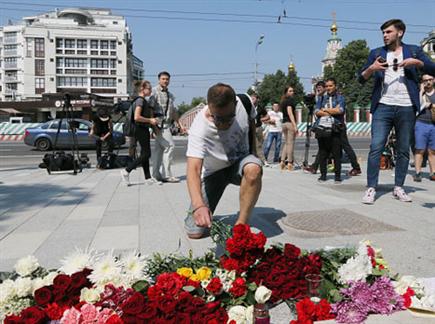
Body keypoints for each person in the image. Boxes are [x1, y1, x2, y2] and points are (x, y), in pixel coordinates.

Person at [359, 19, 435, 204]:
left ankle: (398, 187)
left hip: (406, 106)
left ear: (400, 33)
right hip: (382, 106)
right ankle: (371, 188)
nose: (385, 35)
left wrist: (418, 63)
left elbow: (433, 68)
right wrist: (372, 68)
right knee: (376, 146)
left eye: (388, 32)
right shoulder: (376, 53)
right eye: (383, 33)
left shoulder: (414, 51)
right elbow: (360, 78)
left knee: (402, 150)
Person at [184, 83, 262, 239]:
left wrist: (255, 153)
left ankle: (241, 225)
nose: (224, 123)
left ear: (235, 105)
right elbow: (193, 170)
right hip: (214, 173)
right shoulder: (199, 128)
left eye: (229, 117)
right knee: (195, 232)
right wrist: (199, 206)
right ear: (210, 109)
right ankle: (205, 210)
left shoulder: (245, 102)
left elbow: (252, 123)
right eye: (218, 118)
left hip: (239, 164)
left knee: (253, 168)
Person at [120, 80, 161, 186]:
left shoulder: (140, 100)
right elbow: (137, 117)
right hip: (140, 129)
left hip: (141, 129)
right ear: (142, 89)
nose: (151, 90)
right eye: (149, 88)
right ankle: (126, 171)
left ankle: (147, 178)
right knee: (147, 154)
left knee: (144, 153)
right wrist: (150, 120)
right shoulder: (140, 101)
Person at [150, 71, 186, 183]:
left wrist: (180, 125)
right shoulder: (154, 92)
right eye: (163, 79)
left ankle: (156, 174)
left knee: (159, 150)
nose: (165, 81)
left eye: (167, 79)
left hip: (166, 124)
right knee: (170, 146)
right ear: (159, 79)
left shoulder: (170, 95)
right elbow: (150, 109)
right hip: (160, 125)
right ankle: (166, 174)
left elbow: (173, 111)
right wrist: (153, 127)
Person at [315, 78, 345, 183]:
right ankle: (323, 175)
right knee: (323, 152)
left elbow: (340, 110)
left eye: (330, 86)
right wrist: (331, 111)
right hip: (322, 128)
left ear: (335, 86)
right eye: (327, 86)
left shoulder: (340, 98)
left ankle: (337, 176)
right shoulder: (322, 98)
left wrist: (325, 110)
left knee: (336, 153)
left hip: (335, 128)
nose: (328, 88)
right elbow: (317, 111)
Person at [413, 74, 435, 182]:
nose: (428, 82)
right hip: (421, 123)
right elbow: (418, 108)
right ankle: (418, 172)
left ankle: (433, 172)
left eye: (430, 80)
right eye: (425, 80)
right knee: (420, 149)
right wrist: (421, 92)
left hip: (433, 125)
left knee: (432, 151)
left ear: (434, 80)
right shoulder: (420, 93)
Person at [304, 81, 326, 174]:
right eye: (317, 87)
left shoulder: (326, 98)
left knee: (325, 148)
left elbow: (321, 111)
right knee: (322, 148)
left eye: (320, 87)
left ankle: (316, 167)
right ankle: (315, 167)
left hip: (326, 125)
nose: (318, 89)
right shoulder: (319, 98)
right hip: (320, 125)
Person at [279, 86, 298, 171]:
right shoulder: (290, 101)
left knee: (286, 143)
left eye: (293, 91)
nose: (292, 92)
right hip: (289, 123)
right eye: (290, 91)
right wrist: (295, 125)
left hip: (284, 123)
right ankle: (290, 163)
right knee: (290, 144)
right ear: (286, 92)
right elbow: (290, 113)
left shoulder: (283, 101)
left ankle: (282, 161)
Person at [252, 92, 270, 165]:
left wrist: (262, 119)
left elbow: (268, 116)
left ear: (257, 99)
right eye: (251, 98)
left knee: (260, 143)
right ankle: (264, 161)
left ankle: (257, 159)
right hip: (252, 128)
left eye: (253, 98)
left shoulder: (260, 107)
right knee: (257, 145)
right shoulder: (249, 107)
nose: (251, 100)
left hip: (259, 128)